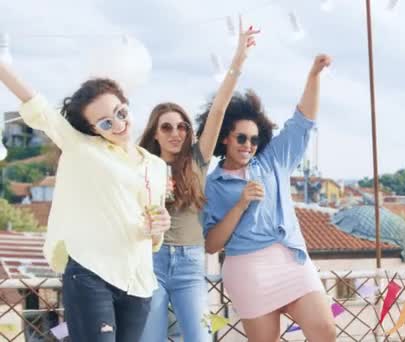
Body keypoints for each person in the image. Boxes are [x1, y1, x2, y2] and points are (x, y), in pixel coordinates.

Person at [0, 66, 171, 341]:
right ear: (93, 129)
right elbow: (37, 105)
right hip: (92, 273)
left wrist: (160, 226)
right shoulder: (84, 149)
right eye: (105, 123)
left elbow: (152, 235)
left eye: (120, 112)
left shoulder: (157, 166)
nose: (118, 124)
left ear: (126, 104)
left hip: (138, 282)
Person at [138, 17, 259, 342]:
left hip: (191, 263)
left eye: (181, 126)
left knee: (200, 338)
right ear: (155, 132)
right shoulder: (141, 166)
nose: (176, 133)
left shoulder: (196, 160)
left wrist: (238, 58)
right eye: (167, 127)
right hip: (151, 262)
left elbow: (218, 110)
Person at [201, 54, 336, 342]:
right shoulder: (213, 184)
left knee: (325, 330)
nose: (248, 145)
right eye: (241, 138)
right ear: (225, 137)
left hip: (291, 258)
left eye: (253, 139)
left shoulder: (271, 160)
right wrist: (240, 204)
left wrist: (313, 76)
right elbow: (211, 245)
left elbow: (302, 122)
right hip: (248, 269)